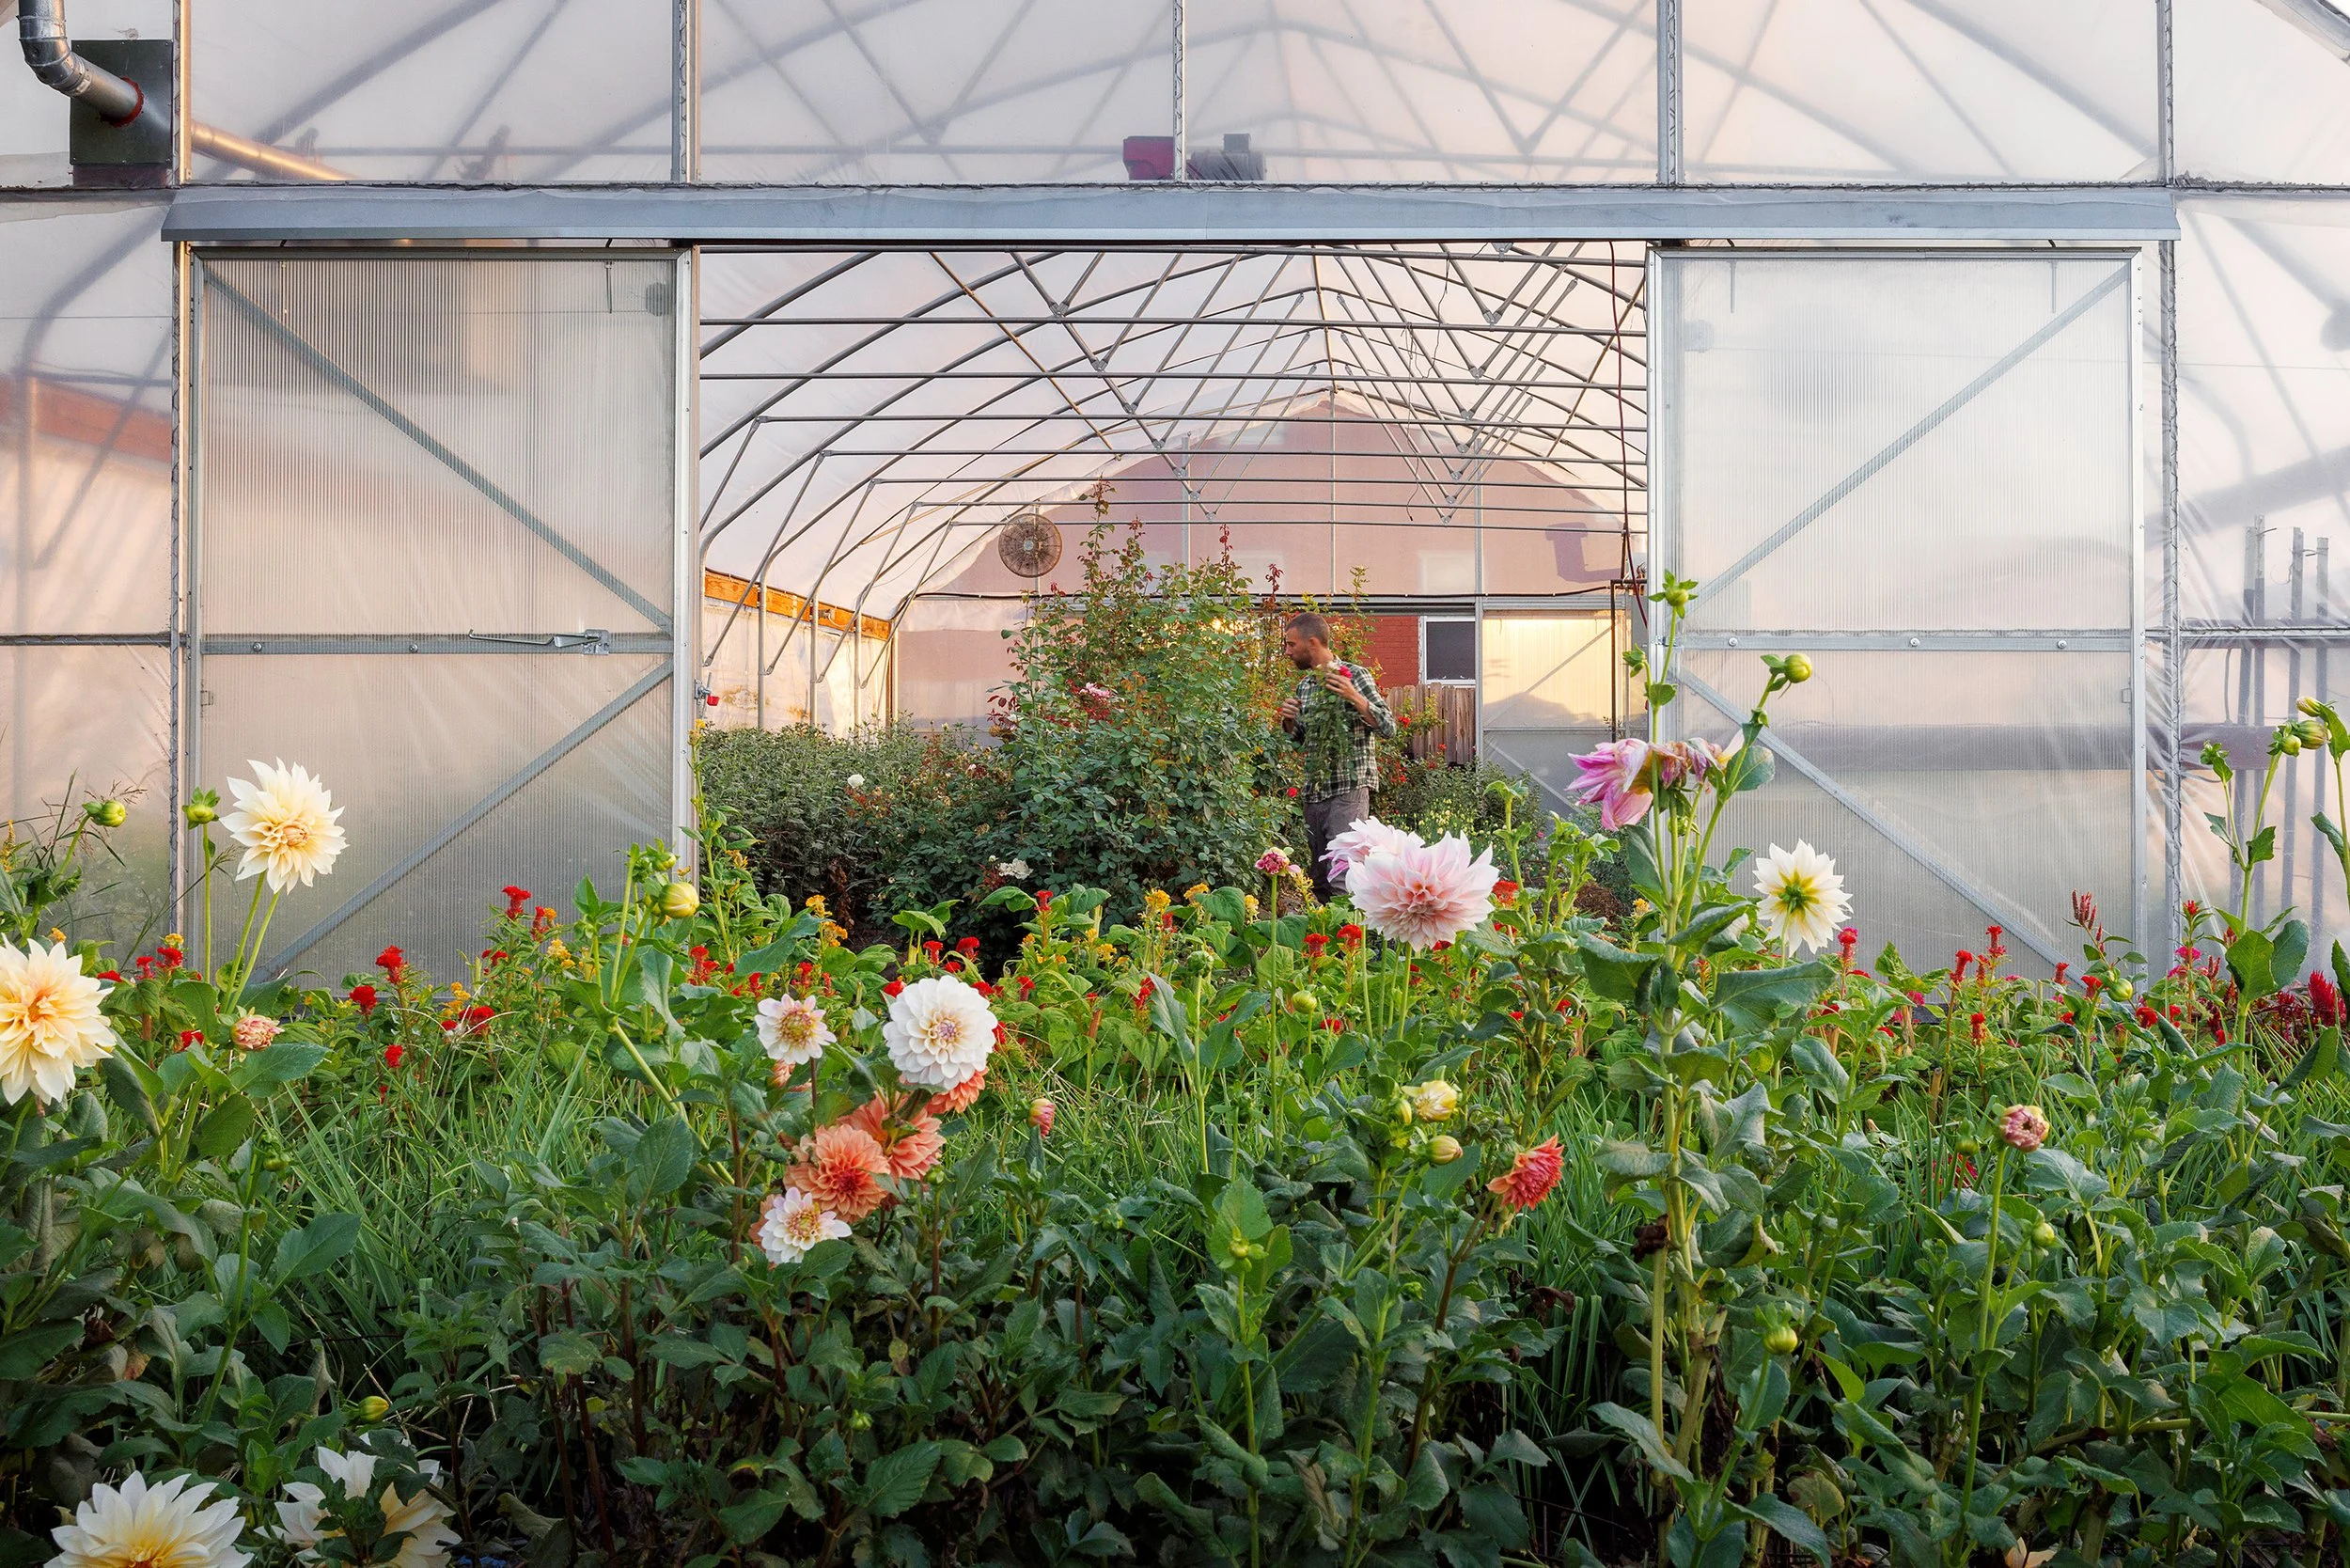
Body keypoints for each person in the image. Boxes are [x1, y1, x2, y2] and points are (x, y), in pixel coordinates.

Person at [1277, 612, 1397, 900]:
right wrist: (1290, 720)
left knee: (1342, 877)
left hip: (1348, 789)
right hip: (1314, 792)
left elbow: (1388, 726)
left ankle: (1352, 944)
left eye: (1292, 645)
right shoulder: (1305, 686)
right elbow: (1298, 739)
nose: (1287, 651)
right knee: (1318, 880)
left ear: (1313, 642)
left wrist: (1354, 697)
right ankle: (1323, 943)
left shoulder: (1355, 676)